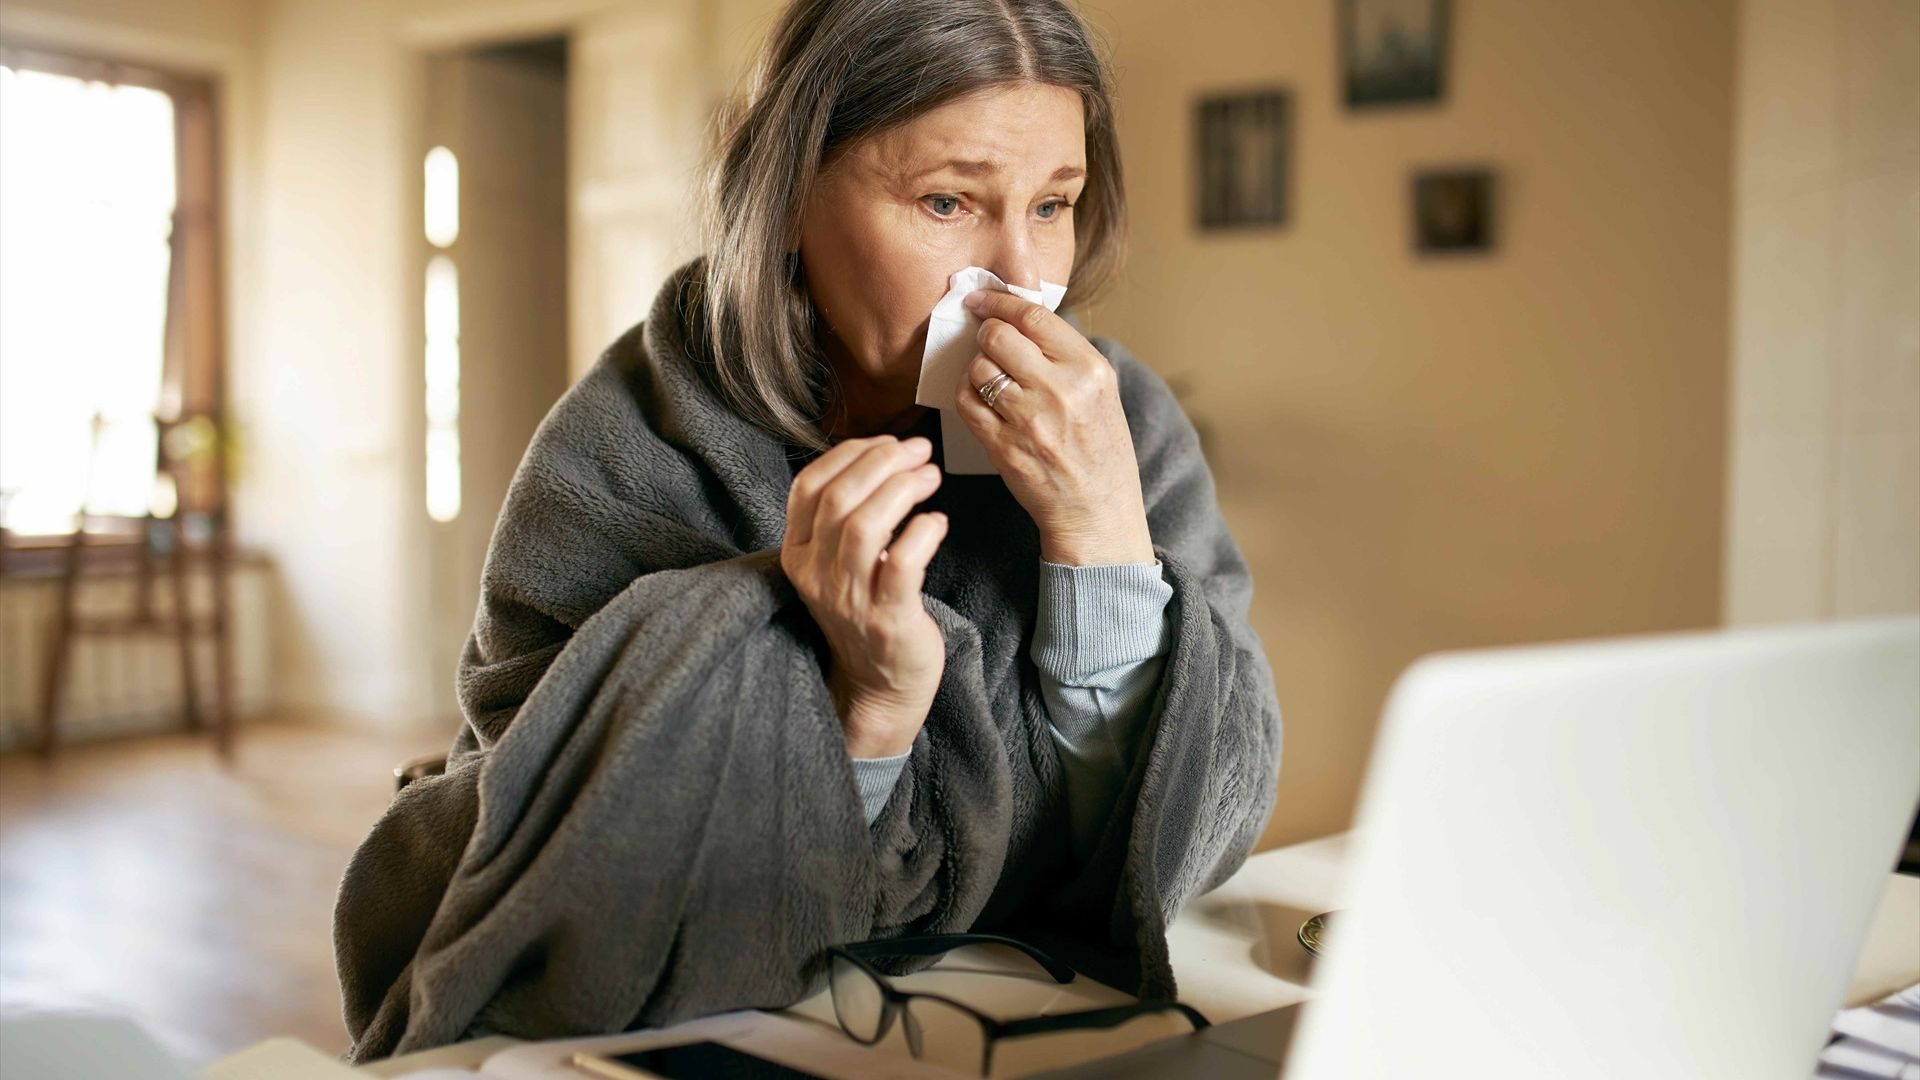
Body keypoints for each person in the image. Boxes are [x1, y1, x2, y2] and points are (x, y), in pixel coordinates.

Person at [334, 0, 1281, 1059]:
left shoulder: (1126, 428)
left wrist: (1103, 540)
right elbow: (547, 889)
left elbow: (1188, 828)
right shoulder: (628, 451)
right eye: (946, 201)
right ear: (786, 197)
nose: (1019, 277)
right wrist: (864, 709)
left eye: (1053, 204)